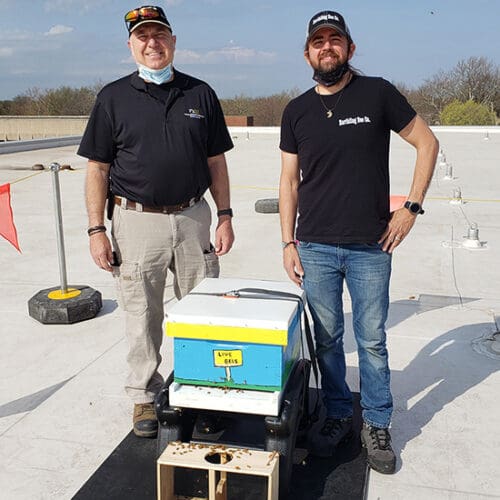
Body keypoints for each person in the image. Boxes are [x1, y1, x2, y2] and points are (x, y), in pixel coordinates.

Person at [279, 10, 438, 473]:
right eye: (318, 41)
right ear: (307, 52)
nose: (326, 47)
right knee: (328, 341)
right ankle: (336, 416)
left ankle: (378, 422)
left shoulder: (378, 93)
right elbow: (289, 182)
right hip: (315, 246)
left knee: (370, 340)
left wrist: (410, 208)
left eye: (335, 40)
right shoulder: (296, 111)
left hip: (372, 246)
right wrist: (288, 242)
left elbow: (426, 143)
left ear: (350, 48)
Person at [78, 5, 234, 438]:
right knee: (142, 314)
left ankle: (201, 389)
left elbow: (216, 161)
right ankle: (145, 397)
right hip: (136, 221)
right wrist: (96, 230)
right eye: (143, 36)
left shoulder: (200, 94)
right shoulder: (112, 97)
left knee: (203, 312)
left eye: (159, 35)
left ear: (173, 41)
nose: (152, 43)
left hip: (193, 218)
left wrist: (224, 215)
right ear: (131, 45)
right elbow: (97, 170)